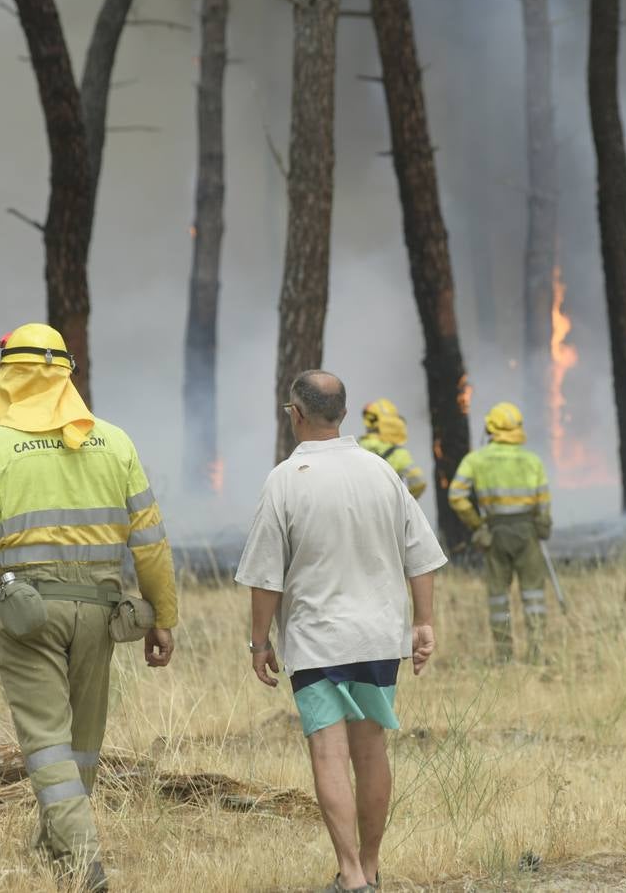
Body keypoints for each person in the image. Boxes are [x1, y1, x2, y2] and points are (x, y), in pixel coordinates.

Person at [0, 323, 179, 892]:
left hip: (30, 616)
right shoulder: (115, 442)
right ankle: (58, 846)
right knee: (82, 744)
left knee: (48, 742)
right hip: (102, 614)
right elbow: (150, 543)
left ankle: (83, 860)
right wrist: (164, 617)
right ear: (65, 373)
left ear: (8, 375)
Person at [236, 370, 446, 893]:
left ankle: (350, 875)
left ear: (296, 415)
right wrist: (423, 622)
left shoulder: (286, 479)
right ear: (344, 414)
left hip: (317, 641)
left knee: (329, 754)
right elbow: (420, 555)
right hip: (378, 637)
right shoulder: (382, 472)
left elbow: (265, 576)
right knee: (371, 750)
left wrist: (259, 642)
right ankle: (371, 866)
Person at [447, 402, 552, 662]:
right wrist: (543, 526)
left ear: (490, 428)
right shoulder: (532, 460)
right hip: (528, 532)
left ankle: (504, 656)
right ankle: (537, 653)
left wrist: (477, 525)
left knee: (498, 596)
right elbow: (543, 501)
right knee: (534, 593)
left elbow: (456, 495)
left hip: (494, 532)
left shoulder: (476, 459)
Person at [358, 398, 427, 499]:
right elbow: (419, 482)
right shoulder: (399, 454)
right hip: (388, 507)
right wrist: (405, 502)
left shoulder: (355, 447)